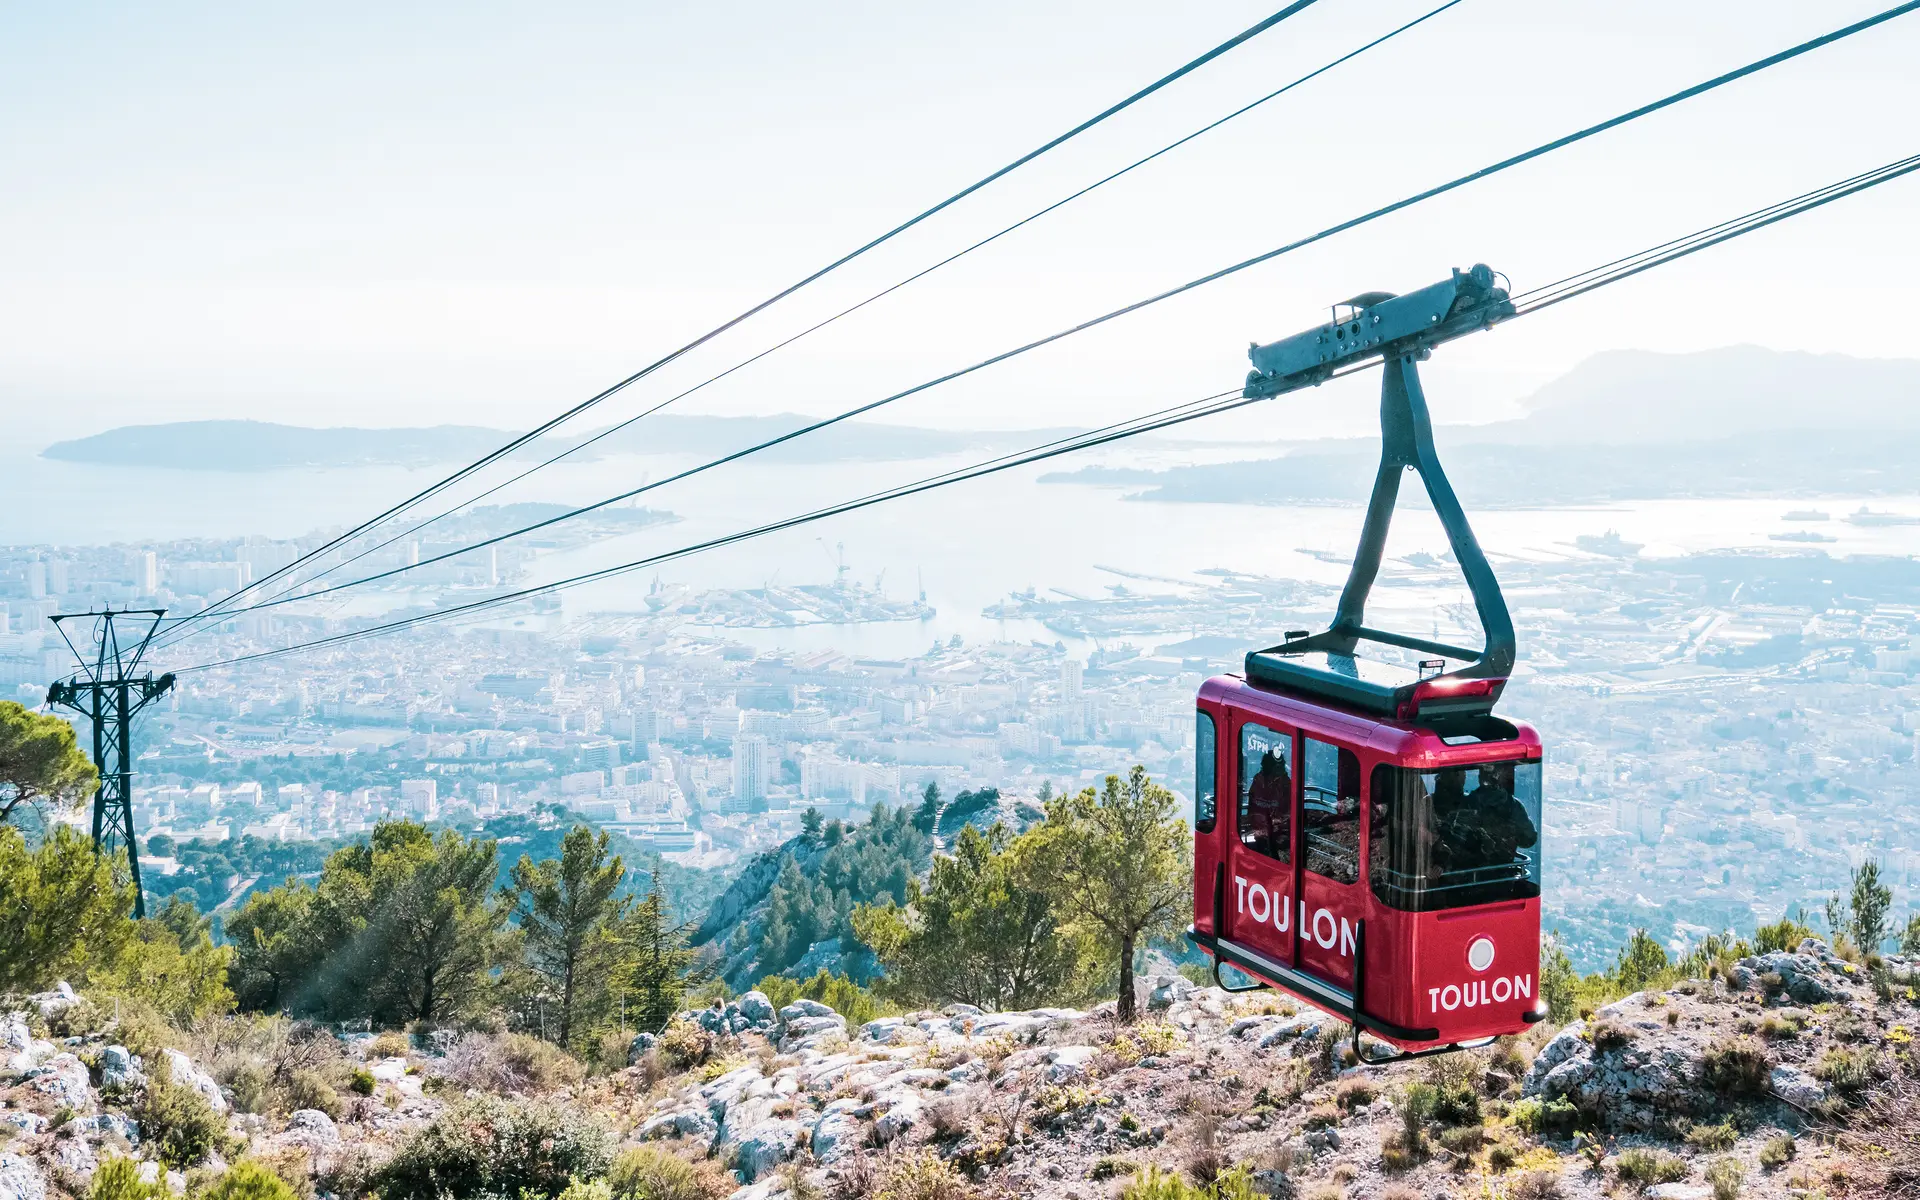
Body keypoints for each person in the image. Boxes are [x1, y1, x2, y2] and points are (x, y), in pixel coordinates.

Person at [1243, 748, 1290, 859]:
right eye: (1277, 767)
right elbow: (1254, 806)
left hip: (1277, 831)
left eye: (1281, 766)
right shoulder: (1259, 780)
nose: (1281, 769)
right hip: (1261, 830)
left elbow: (1288, 809)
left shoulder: (1285, 783)